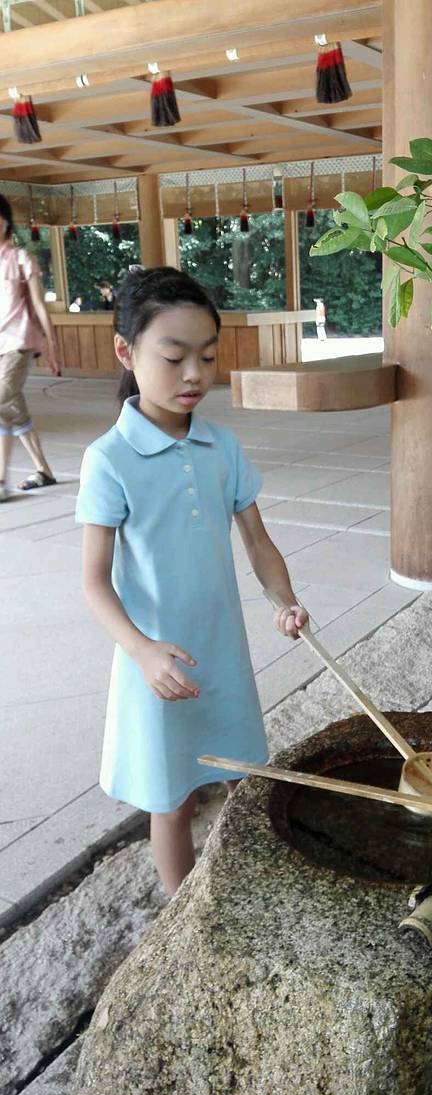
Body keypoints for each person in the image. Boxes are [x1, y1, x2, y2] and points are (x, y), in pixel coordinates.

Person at [76, 266, 309, 897]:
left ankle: (259, 882)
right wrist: (142, 651)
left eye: (207, 357)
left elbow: (258, 543)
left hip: (222, 648)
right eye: (174, 356)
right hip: (158, 660)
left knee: (245, 777)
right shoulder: (109, 459)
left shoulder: (221, 446)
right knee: (172, 797)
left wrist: (284, 600)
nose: (194, 375)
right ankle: (182, 913)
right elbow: (94, 581)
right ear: (126, 351)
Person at [0, 194, 60, 500]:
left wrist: (52, 346)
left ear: (5, 223)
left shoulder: (22, 258)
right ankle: (44, 471)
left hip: (18, 342)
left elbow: (38, 304)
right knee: (13, 411)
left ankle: (0, 481)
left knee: (1, 402)